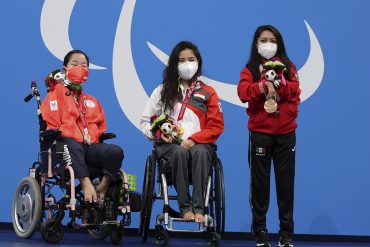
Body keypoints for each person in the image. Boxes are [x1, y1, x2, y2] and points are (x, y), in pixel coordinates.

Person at [140, 41, 224, 223]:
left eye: (191, 59)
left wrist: (194, 140)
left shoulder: (209, 93)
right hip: (170, 147)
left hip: (199, 145)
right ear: (174, 64)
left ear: (198, 62)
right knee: (178, 152)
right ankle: (185, 208)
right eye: (181, 60)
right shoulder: (162, 91)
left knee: (202, 152)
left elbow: (216, 126)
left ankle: (199, 208)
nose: (187, 64)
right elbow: (146, 122)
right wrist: (160, 135)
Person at [237, 25, 301, 247]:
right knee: (260, 185)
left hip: (286, 135)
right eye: (263, 40)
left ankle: (286, 233)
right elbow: (243, 93)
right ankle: (260, 231)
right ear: (256, 44)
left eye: (271, 40)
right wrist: (263, 86)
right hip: (260, 135)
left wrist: (278, 86)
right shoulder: (250, 70)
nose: (267, 44)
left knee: (286, 185)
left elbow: (295, 91)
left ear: (278, 43)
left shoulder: (289, 67)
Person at [40, 50, 124, 204]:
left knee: (115, 151)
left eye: (84, 65)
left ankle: (103, 185)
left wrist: (95, 136)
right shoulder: (56, 94)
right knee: (71, 144)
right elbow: (51, 121)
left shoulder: (92, 101)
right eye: (75, 64)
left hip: (89, 147)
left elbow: (101, 125)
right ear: (65, 69)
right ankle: (87, 185)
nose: (80, 67)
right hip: (63, 146)